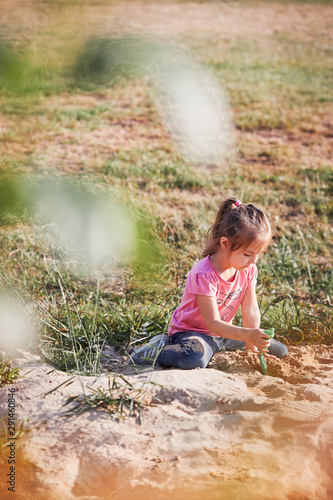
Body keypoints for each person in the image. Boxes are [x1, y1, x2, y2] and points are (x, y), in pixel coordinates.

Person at [130, 197, 288, 369]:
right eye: (248, 254)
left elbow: (250, 311)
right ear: (225, 243)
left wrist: (252, 348)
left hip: (224, 334)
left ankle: (218, 348)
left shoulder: (248, 269)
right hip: (193, 335)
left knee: (279, 350)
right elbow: (212, 323)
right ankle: (155, 349)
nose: (254, 261)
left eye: (259, 254)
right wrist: (247, 335)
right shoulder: (204, 274)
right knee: (194, 358)